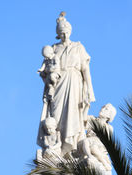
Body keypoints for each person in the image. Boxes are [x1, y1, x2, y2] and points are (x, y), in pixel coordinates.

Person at [37, 12, 95, 156]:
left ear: (70, 32)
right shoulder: (54, 48)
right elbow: (44, 69)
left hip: (75, 82)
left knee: (73, 113)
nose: (65, 35)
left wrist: (89, 89)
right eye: (62, 33)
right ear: (58, 34)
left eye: (67, 32)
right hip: (58, 84)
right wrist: (48, 79)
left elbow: (85, 69)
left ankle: (71, 148)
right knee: (55, 116)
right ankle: (55, 145)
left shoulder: (78, 47)